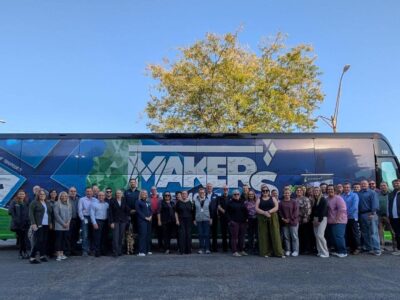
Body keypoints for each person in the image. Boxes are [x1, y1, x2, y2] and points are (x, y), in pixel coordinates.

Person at [256, 185, 284, 258]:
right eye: (263, 191)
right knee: (263, 234)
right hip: (262, 217)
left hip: (273, 217)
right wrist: (264, 213)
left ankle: (278, 253)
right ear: (261, 192)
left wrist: (269, 212)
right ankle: (265, 252)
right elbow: (256, 208)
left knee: (275, 234)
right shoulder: (259, 199)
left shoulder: (273, 198)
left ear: (269, 191)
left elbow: (276, 207)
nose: (265, 192)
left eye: (266, 190)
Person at [29, 189, 52, 264]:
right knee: (38, 241)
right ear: (38, 195)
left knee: (44, 241)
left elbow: (49, 213)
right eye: (40, 194)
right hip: (38, 224)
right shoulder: (34, 202)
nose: (42, 195)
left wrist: (50, 223)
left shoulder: (47, 202)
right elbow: (31, 214)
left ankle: (42, 256)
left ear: (45, 195)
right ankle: (32, 257)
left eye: (43, 194)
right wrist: (33, 223)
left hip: (46, 224)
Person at [358, 179, 381, 255]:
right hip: (362, 215)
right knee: (365, 232)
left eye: (365, 184)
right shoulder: (359, 193)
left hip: (370, 214)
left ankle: (377, 249)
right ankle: (368, 248)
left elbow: (375, 204)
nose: (363, 185)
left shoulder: (372, 192)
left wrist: (373, 213)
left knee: (373, 232)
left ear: (368, 184)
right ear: (360, 185)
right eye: (362, 184)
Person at [326, 184, 348, 258]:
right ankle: (337, 250)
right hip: (330, 221)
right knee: (334, 237)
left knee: (339, 236)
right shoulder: (327, 199)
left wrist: (337, 219)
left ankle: (343, 252)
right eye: (328, 189)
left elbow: (342, 209)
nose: (330, 190)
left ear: (335, 190)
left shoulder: (338, 198)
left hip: (339, 221)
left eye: (331, 189)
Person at [8, 189, 30, 259]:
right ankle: (21, 253)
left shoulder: (26, 202)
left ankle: (25, 252)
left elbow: (28, 212)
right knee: (21, 239)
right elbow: (10, 212)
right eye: (20, 194)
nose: (21, 195)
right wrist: (16, 220)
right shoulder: (14, 202)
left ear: (25, 195)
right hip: (18, 224)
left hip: (25, 223)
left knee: (24, 239)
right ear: (17, 195)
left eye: (23, 194)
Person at [226, 190, 248, 257]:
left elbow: (245, 211)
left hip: (242, 222)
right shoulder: (229, 203)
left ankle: (241, 250)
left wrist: (246, 219)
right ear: (232, 195)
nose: (236, 195)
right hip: (234, 223)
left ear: (239, 195)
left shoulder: (242, 202)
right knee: (234, 238)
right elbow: (226, 213)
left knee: (242, 237)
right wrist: (230, 221)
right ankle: (234, 251)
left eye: (238, 194)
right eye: (235, 194)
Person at [109, 190, 130, 257]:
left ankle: (119, 251)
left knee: (121, 237)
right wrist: (111, 222)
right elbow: (110, 213)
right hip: (115, 221)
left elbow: (127, 210)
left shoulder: (124, 200)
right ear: (115, 194)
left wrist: (126, 218)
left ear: (122, 194)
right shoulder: (112, 201)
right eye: (117, 193)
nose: (118, 194)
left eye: (119, 193)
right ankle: (115, 252)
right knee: (115, 237)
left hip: (123, 221)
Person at [279, 188, 299, 257]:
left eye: (288, 193)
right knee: (286, 237)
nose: (287, 194)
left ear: (290, 194)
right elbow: (280, 212)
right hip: (284, 222)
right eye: (285, 193)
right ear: (283, 194)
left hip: (293, 222)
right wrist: (283, 219)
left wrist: (289, 219)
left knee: (294, 237)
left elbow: (296, 212)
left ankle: (295, 251)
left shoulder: (294, 201)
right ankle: (288, 250)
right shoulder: (281, 202)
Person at [342, 182, 361, 255]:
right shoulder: (342, 196)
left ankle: (357, 248)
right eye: (345, 187)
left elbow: (355, 207)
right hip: (344, 218)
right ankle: (351, 247)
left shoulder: (354, 195)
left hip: (352, 217)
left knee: (355, 233)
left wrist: (346, 214)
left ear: (350, 188)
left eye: (348, 187)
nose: (346, 188)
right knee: (348, 233)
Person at [53, 192, 72, 261]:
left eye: (65, 196)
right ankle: (58, 254)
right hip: (59, 226)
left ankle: (62, 253)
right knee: (59, 240)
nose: (64, 197)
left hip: (67, 226)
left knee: (64, 240)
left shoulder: (69, 204)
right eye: (62, 196)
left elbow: (70, 215)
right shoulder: (57, 204)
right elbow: (56, 215)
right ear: (60, 197)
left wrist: (68, 223)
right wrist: (63, 223)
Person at [311, 186, 329, 258]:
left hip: (322, 219)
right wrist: (313, 220)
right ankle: (320, 251)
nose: (316, 191)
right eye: (315, 190)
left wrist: (319, 220)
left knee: (320, 235)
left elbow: (323, 211)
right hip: (315, 218)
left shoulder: (323, 199)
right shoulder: (314, 200)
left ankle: (325, 252)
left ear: (320, 191)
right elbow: (313, 211)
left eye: (317, 190)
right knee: (316, 236)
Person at [78, 187, 96, 256]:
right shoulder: (82, 199)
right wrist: (83, 219)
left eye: (90, 191)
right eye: (87, 191)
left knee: (93, 234)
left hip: (93, 218)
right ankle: (85, 250)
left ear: (92, 192)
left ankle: (91, 250)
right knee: (85, 235)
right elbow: (79, 210)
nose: (89, 193)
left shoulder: (95, 200)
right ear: (85, 192)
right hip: (85, 218)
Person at [378, 182, 396, 251]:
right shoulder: (377, 195)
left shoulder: (391, 194)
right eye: (381, 186)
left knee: (392, 231)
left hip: (389, 216)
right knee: (380, 232)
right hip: (380, 216)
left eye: (384, 185)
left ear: (387, 186)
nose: (383, 187)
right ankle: (382, 247)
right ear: (379, 187)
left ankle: (395, 247)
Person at [90, 191, 109, 257]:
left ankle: (103, 251)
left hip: (105, 222)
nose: (101, 197)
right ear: (98, 196)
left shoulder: (107, 204)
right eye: (100, 195)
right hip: (97, 221)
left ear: (104, 196)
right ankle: (97, 252)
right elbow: (92, 214)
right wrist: (94, 223)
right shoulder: (94, 204)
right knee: (97, 238)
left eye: (102, 195)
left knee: (104, 237)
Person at [296, 186, 314, 255]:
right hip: (297, 220)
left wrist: (306, 217)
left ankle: (307, 249)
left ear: (303, 192)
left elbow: (308, 209)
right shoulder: (295, 199)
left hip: (304, 220)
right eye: (297, 190)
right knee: (300, 235)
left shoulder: (305, 199)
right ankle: (301, 249)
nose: (299, 191)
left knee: (306, 235)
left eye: (300, 190)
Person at [194, 187, 212, 254]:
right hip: (198, 220)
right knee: (200, 234)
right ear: (198, 193)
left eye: (203, 192)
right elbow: (193, 211)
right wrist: (194, 219)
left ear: (205, 193)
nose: (202, 193)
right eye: (200, 192)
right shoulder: (195, 201)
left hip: (206, 219)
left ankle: (207, 248)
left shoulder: (208, 200)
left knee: (207, 234)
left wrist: (211, 218)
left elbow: (211, 210)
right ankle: (201, 248)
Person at [124, 178, 140, 251]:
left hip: (137, 215)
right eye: (131, 182)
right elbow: (125, 203)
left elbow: (140, 203)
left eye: (134, 182)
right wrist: (129, 210)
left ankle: (135, 248)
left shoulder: (139, 192)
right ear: (129, 183)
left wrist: (135, 210)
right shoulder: (126, 192)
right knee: (127, 232)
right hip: (128, 214)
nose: (132, 183)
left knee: (136, 232)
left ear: (136, 183)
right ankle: (127, 249)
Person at [136, 190, 152, 256]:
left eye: (145, 193)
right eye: (143, 193)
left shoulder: (148, 201)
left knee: (148, 235)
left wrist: (150, 216)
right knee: (143, 235)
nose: (144, 194)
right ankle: (141, 251)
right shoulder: (138, 201)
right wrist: (145, 218)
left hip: (149, 220)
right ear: (140, 194)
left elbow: (151, 210)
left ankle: (147, 250)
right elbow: (138, 211)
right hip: (142, 221)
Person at [388, 179, 400, 255]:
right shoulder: (392, 193)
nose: (396, 185)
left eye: (397, 183)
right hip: (394, 217)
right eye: (394, 184)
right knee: (397, 233)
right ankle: (399, 249)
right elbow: (388, 205)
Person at [67, 186, 80, 255]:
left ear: (76, 192)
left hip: (76, 220)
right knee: (68, 236)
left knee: (75, 235)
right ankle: (68, 251)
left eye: (74, 191)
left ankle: (73, 250)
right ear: (68, 192)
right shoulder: (66, 199)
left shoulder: (78, 200)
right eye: (71, 191)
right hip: (68, 220)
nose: (73, 192)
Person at [206, 183, 219, 252]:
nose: (209, 188)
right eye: (208, 187)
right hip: (206, 217)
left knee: (214, 233)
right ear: (206, 188)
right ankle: (208, 247)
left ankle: (215, 248)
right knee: (207, 233)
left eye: (210, 186)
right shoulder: (203, 195)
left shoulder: (216, 196)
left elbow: (218, 206)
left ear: (212, 188)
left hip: (214, 217)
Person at [217, 186, 230, 252]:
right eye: (224, 189)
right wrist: (224, 211)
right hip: (223, 218)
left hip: (230, 218)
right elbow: (218, 206)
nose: (225, 190)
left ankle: (231, 247)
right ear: (223, 190)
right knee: (224, 233)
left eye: (226, 189)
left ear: (228, 190)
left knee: (231, 233)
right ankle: (224, 248)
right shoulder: (220, 198)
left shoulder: (231, 197)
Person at [245, 189, 258, 254]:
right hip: (249, 220)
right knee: (250, 235)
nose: (251, 195)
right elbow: (244, 212)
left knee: (257, 234)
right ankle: (250, 248)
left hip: (257, 219)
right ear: (248, 195)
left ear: (254, 195)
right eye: (249, 194)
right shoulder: (246, 202)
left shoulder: (257, 201)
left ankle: (257, 248)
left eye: (252, 194)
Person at [150, 186, 162, 250]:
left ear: (156, 190)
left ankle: (160, 246)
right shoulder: (148, 198)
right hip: (151, 216)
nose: (153, 190)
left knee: (159, 232)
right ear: (151, 191)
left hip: (158, 216)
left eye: (154, 189)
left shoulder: (160, 198)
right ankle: (150, 246)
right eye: (152, 190)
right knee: (150, 232)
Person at [46, 189, 57, 258]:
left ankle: (54, 251)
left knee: (56, 238)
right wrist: (49, 223)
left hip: (58, 223)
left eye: (55, 192)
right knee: (50, 238)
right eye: (52, 192)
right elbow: (48, 214)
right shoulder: (48, 202)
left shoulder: (58, 201)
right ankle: (49, 253)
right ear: (50, 194)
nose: (53, 193)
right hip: (51, 222)